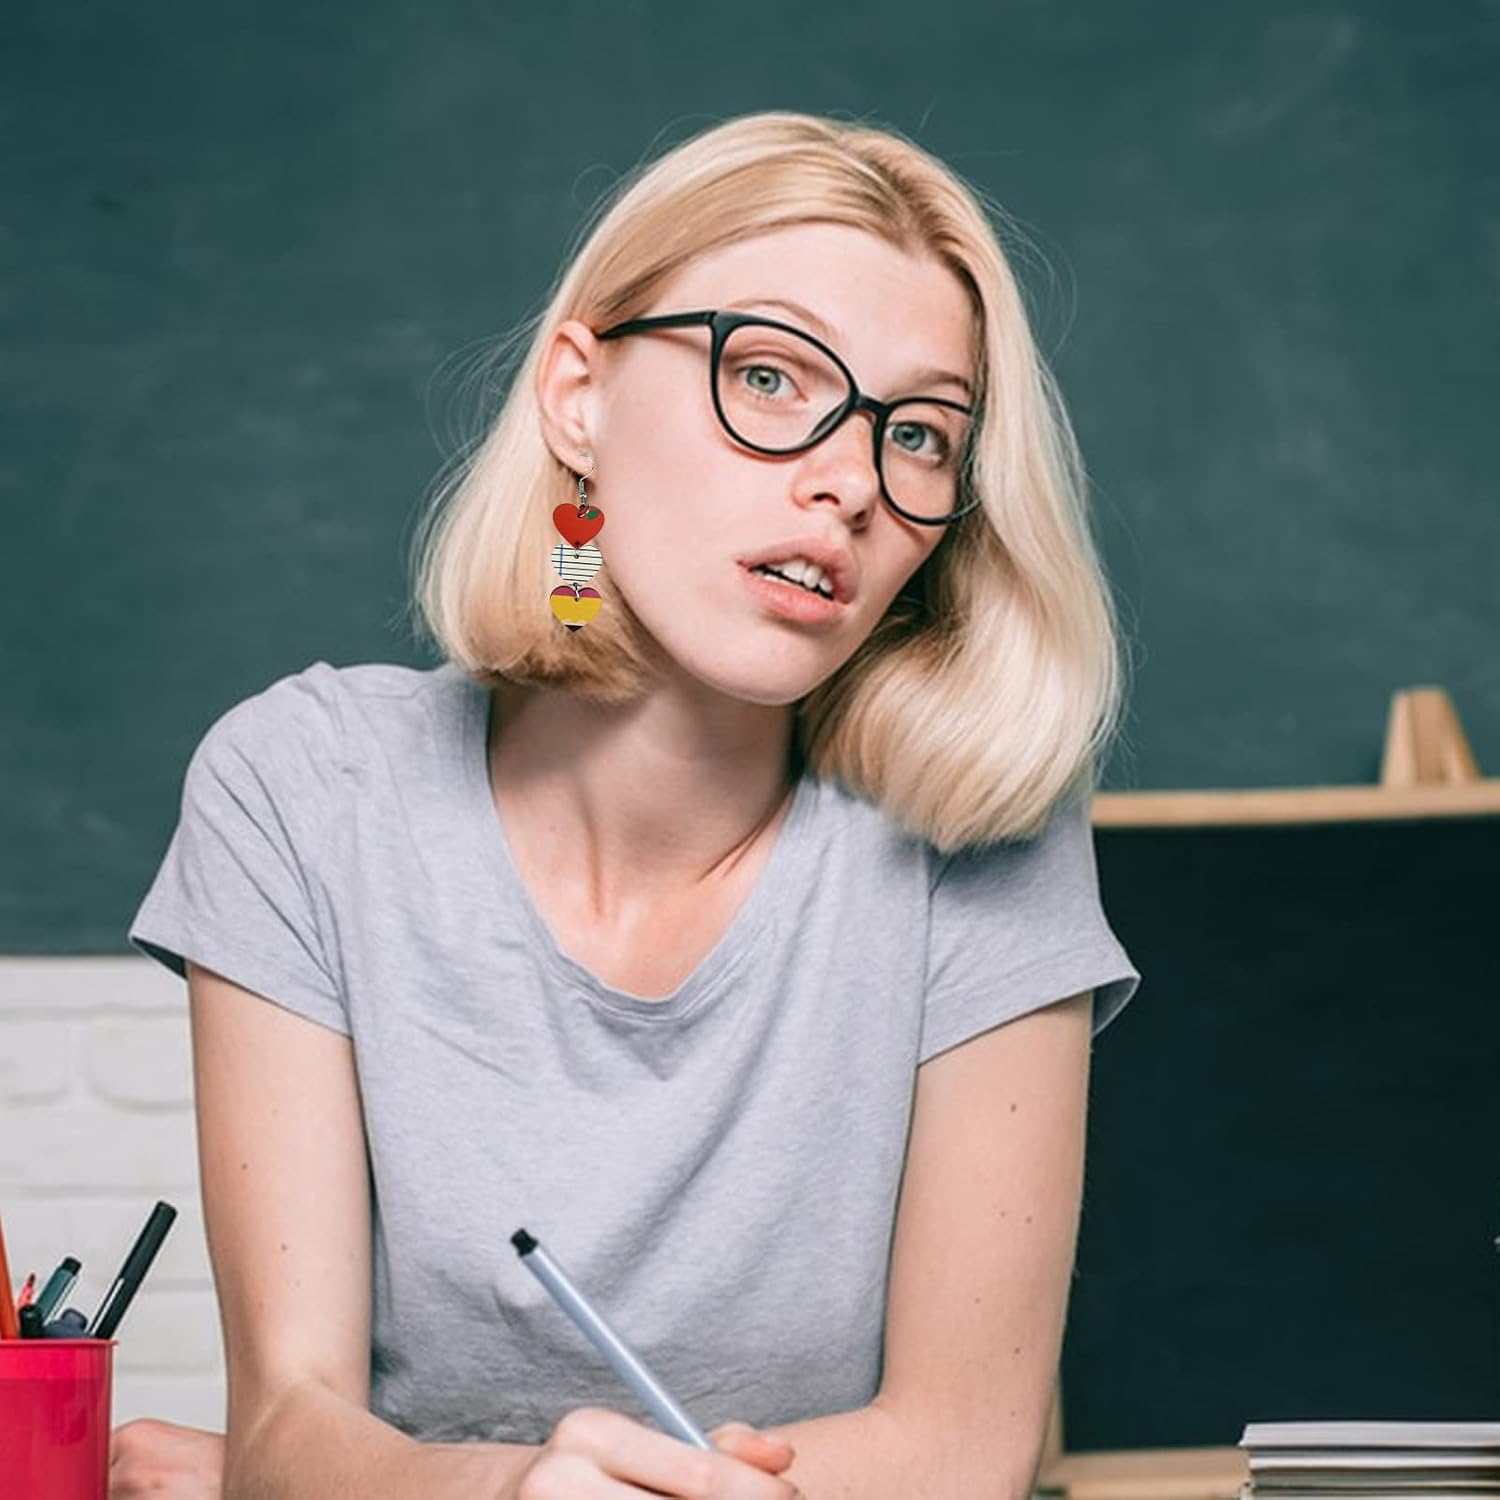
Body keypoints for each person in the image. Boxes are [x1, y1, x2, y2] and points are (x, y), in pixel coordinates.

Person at [118, 108, 1141, 1499]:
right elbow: (291, 1423)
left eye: (920, 434)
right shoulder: (304, 789)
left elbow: (965, 1444)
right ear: (576, 399)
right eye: (772, 376)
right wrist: (520, 1493)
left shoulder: (981, 833)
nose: (848, 480)